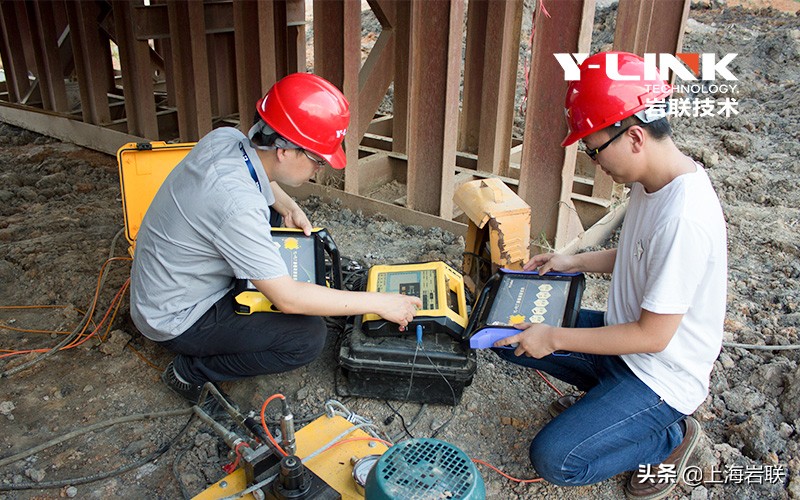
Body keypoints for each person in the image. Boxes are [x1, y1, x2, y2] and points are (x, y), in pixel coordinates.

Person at [492, 51, 727, 499]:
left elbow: (651, 337)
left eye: (594, 148)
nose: (593, 160)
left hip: (658, 374)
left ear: (635, 137)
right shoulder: (654, 181)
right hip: (623, 343)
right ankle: (607, 409)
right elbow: (639, 252)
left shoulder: (685, 218)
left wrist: (555, 338)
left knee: (557, 459)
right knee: (505, 334)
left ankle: (670, 440)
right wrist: (572, 262)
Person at [130, 73, 422, 404]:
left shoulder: (225, 139)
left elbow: (257, 176)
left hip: (165, 284)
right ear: (283, 149)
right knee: (308, 338)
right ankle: (190, 372)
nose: (319, 169)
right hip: (175, 317)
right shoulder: (236, 204)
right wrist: (380, 302)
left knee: (272, 215)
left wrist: (288, 205)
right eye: (317, 159)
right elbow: (289, 299)